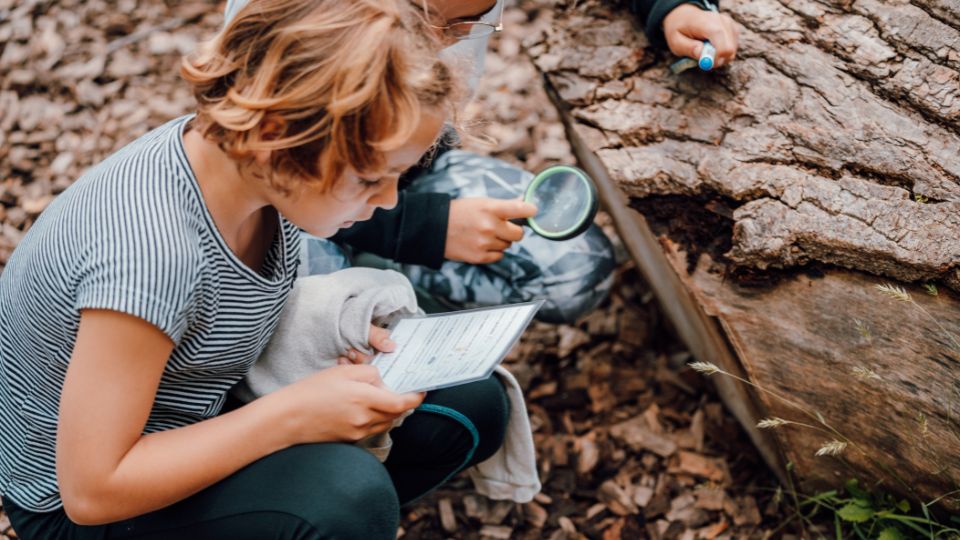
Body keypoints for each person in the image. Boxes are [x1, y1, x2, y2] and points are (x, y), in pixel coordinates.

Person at [0, 1, 510, 538]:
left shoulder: (247, 168)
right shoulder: (150, 258)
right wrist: (294, 415)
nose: (387, 201)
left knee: (466, 399)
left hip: (196, 411)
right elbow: (91, 489)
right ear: (277, 138)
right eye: (368, 178)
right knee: (342, 497)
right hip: (77, 499)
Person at [228, 0, 739, 324]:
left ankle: (401, 300)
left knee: (574, 272)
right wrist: (424, 228)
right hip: (285, 209)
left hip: (407, 179)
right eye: (434, 19)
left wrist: (671, 9)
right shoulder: (293, 21)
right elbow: (263, 179)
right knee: (296, 325)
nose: (454, 39)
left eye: (476, 20)